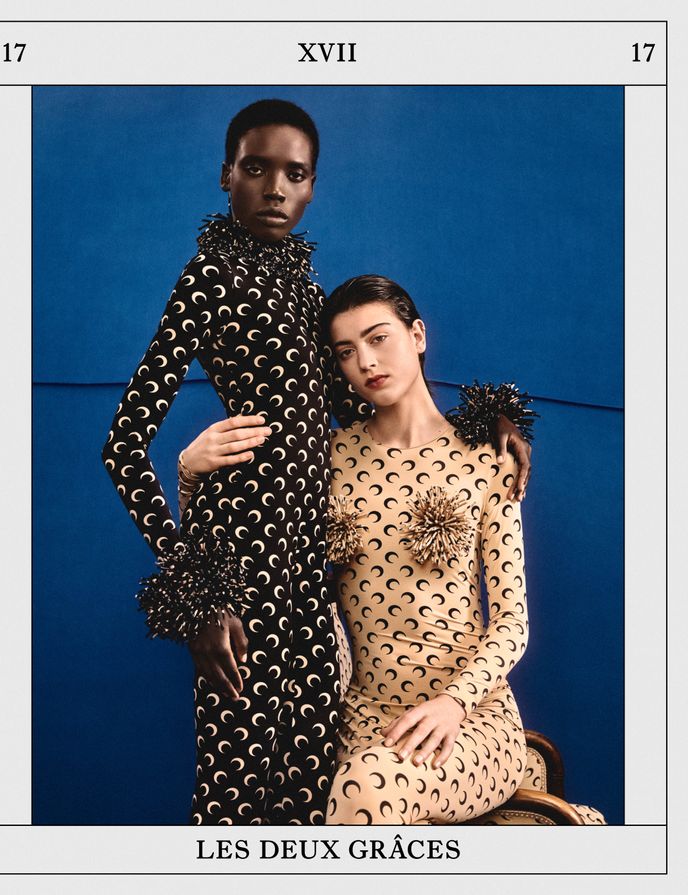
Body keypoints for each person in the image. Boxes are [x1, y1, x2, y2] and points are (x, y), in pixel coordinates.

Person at [102, 99, 533, 825]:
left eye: (294, 174)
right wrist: (197, 590)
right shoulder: (207, 279)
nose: (275, 188)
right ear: (226, 175)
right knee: (235, 799)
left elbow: (370, 401)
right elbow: (121, 446)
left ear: (311, 185)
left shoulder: (308, 294)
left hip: (308, 584)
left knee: (305, 801)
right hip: (239, 574)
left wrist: (488, 417)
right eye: (256, 168)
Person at [321, 275, 529, 824]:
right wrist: (190, 473)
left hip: (469, 720)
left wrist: (454, 703)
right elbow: (249, 544)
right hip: (362, 718)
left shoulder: (488, 457)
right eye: (346, 351)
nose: (366, 361)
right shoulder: (330, 457)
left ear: (417, 335)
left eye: (378, 338)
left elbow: (512, 623)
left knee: (366, 790)